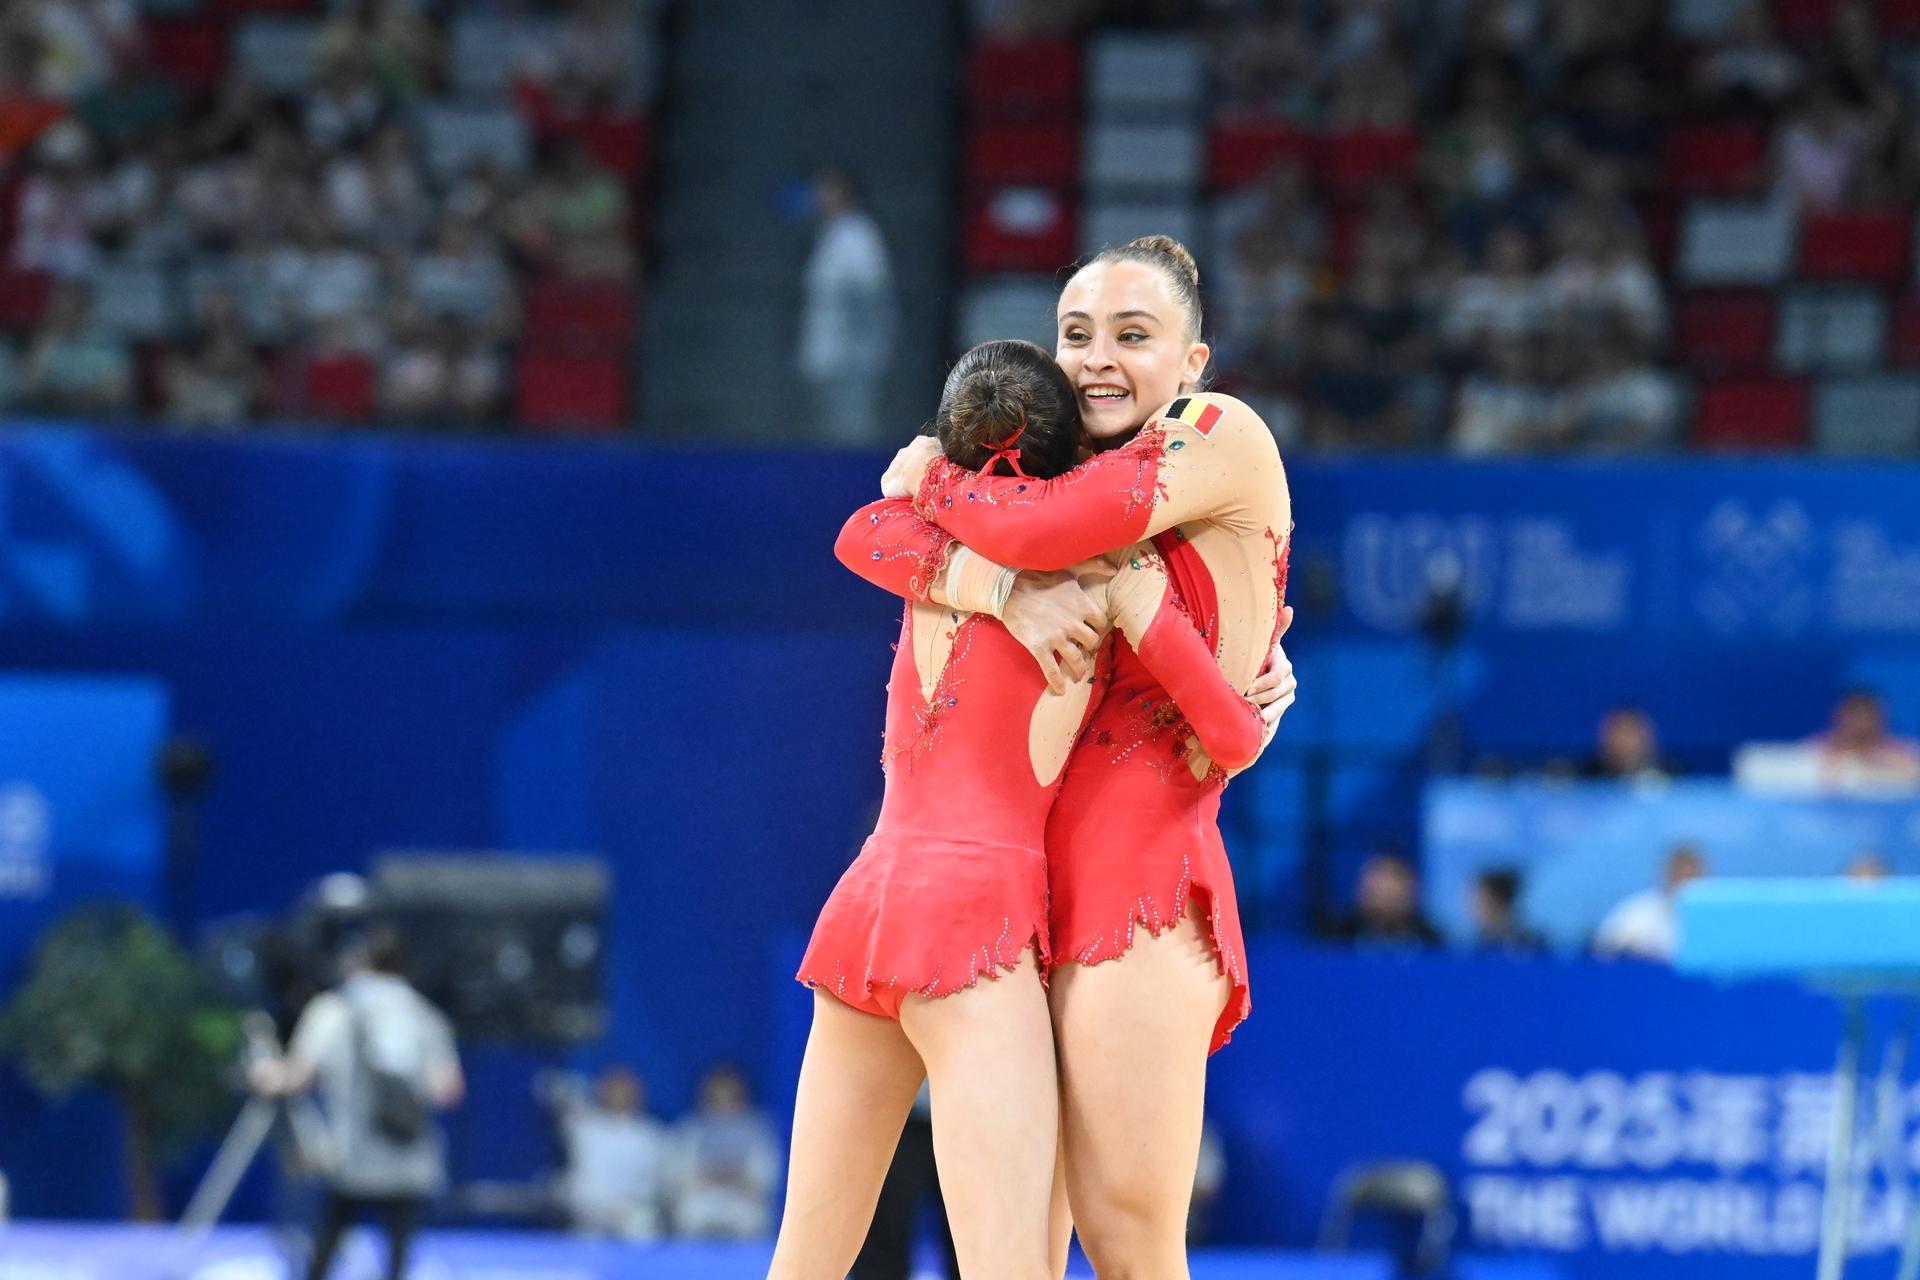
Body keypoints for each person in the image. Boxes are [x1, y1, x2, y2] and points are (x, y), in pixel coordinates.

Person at [776, 337, 1274, 1280]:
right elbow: (1232, 740)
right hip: (977, 925)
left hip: (870, 905)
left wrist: (935, 489)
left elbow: (860, 530)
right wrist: (1221, 647)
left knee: (803, 1261)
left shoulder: (931, 559)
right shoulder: (1089, 585)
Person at [248, 928, 463, 1280]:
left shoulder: (332, 1011)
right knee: (398, 1258)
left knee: (326, 1249)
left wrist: (264, 1072)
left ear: (358, 963)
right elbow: (449, 1090)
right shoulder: (425, 1015)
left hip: (351, 1159)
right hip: (408, 1157)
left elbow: (294, 1078)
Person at [797, 164, 895, 446]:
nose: (818, 196)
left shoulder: (859, 234)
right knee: (828, 435)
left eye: (826, 189)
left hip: (851, 363)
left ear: (845, 193)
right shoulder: (830, 233)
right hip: (830, 359)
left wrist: (856, 354)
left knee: (851, 434)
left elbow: (868, 292)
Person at [544, 1065, 672, 1241]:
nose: (619, 1095)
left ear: (638, 1094)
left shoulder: (652, 1134)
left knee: (642, 1229)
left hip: (632, 1210)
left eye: (625, 1090)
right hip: (589, 1210)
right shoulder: (582, 1125)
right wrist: (585, 1085)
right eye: (613, 1089)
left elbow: (660, 1180)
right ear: (602, 1091)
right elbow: (549, 1086)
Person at [672, 1063, 781, 1240]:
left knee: (752, 1220)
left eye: (729, 1093)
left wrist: (735, 1179)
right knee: (691, 1214)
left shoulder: (757, 1129)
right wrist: (711, 1178)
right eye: (718, 1093)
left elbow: (765, 1176)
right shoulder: (692, 1128)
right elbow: (680, 1174)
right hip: (704, 1197)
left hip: (742, 1199)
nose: (723, 1098)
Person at [1593, 843, 1708, 963]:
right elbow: (1603, 949)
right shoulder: (1638, 911)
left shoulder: (1713, 918)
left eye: (1690, 877)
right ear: (1666, 875)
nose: (1684, 885)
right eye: (1679, 876)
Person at [1321, 851, 1443, 948]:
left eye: (1393, 897)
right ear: (1361, 893)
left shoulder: (1433, 944)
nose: (1386, 905)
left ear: (1412, 895)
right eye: (1376, 893)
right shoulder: (1336, 939)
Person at [1811, 689, 1920, 793]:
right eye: (1856, 714)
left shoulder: (1907, 754)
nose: (1862, 723)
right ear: (1839, 717)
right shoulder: (1813, 753)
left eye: (1868, 716)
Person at [1581, 705, 1673, 783]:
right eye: (1617, 733)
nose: (1623, 743)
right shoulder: (1585, 779)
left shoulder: (1671, 777)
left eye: (1630, 734)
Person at [1468, 868, 1545, 955]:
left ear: (1500, 902)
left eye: (1482, 902)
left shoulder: (1532, 944)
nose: (1474, 909)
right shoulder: (1473, 947)